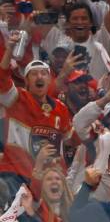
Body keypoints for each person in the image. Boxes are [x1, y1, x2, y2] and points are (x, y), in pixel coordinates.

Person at [0, 33, 74, 196]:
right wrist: (9, 49)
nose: (39, 76)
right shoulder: (16, 98)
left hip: (46, 179)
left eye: (43, 73)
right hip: (14, 173)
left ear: (49, 80)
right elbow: (2, 78)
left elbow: (67, 144)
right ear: (26, 81)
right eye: (34, 74)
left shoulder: (61, 109)